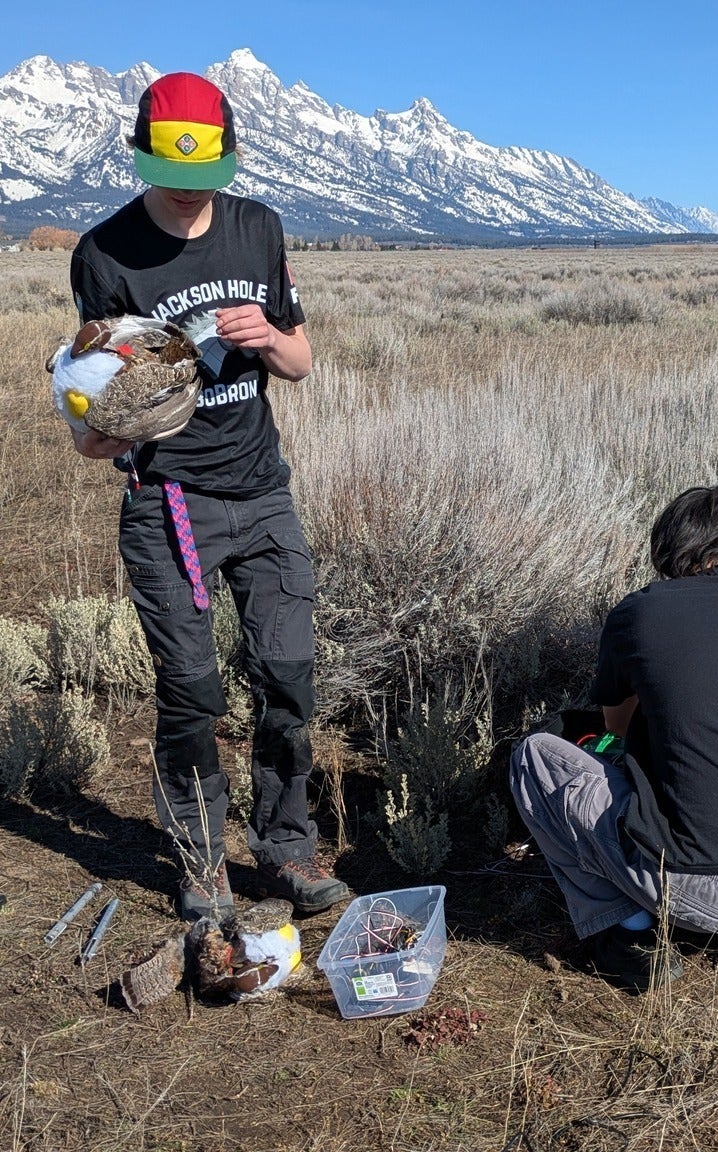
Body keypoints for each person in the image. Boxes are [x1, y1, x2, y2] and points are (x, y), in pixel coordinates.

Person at [66, 71, 349, 921]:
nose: (191, 194)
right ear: (142, 158)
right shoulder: (104, 255)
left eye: (206, 178)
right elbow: (91, 429)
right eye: (174, 175)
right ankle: (200, 863)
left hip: (262, 492)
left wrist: (268, 339)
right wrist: (117, 420)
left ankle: (286, 849)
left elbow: (300, 363)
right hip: (169, 503)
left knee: (288, 676)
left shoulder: (257, 227)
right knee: (190, 689)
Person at [509, 487, 718, 993]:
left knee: (534, 756)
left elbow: (615, 729)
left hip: (697, 890)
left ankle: (629, 933)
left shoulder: (639, 613)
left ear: (671, 545)